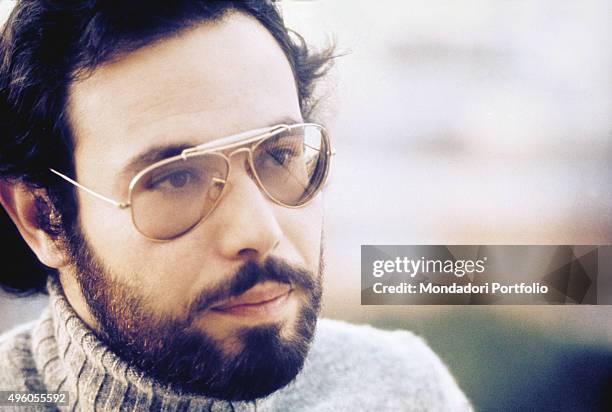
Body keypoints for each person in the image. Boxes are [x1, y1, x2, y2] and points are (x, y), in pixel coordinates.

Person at [0, 1, 471, 410]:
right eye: (175, 179)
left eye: (279, 155)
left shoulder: (401, 388)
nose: (259, 230)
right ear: (42, 219)